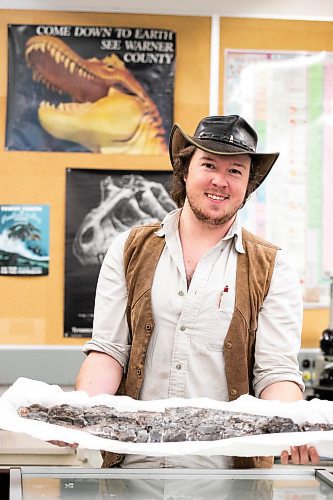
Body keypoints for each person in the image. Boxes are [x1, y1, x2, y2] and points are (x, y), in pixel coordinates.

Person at [76, 114, 319, 469]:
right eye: (209, 164)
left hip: (226, 478)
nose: (220, 181)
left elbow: (275, 372)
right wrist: (76, 413)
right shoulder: (129, 249)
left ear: (248, 184)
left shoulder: (273, 267)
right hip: (133, 469)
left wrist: (293, 426)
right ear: (184, 169)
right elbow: (109, 352)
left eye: (236, 170)